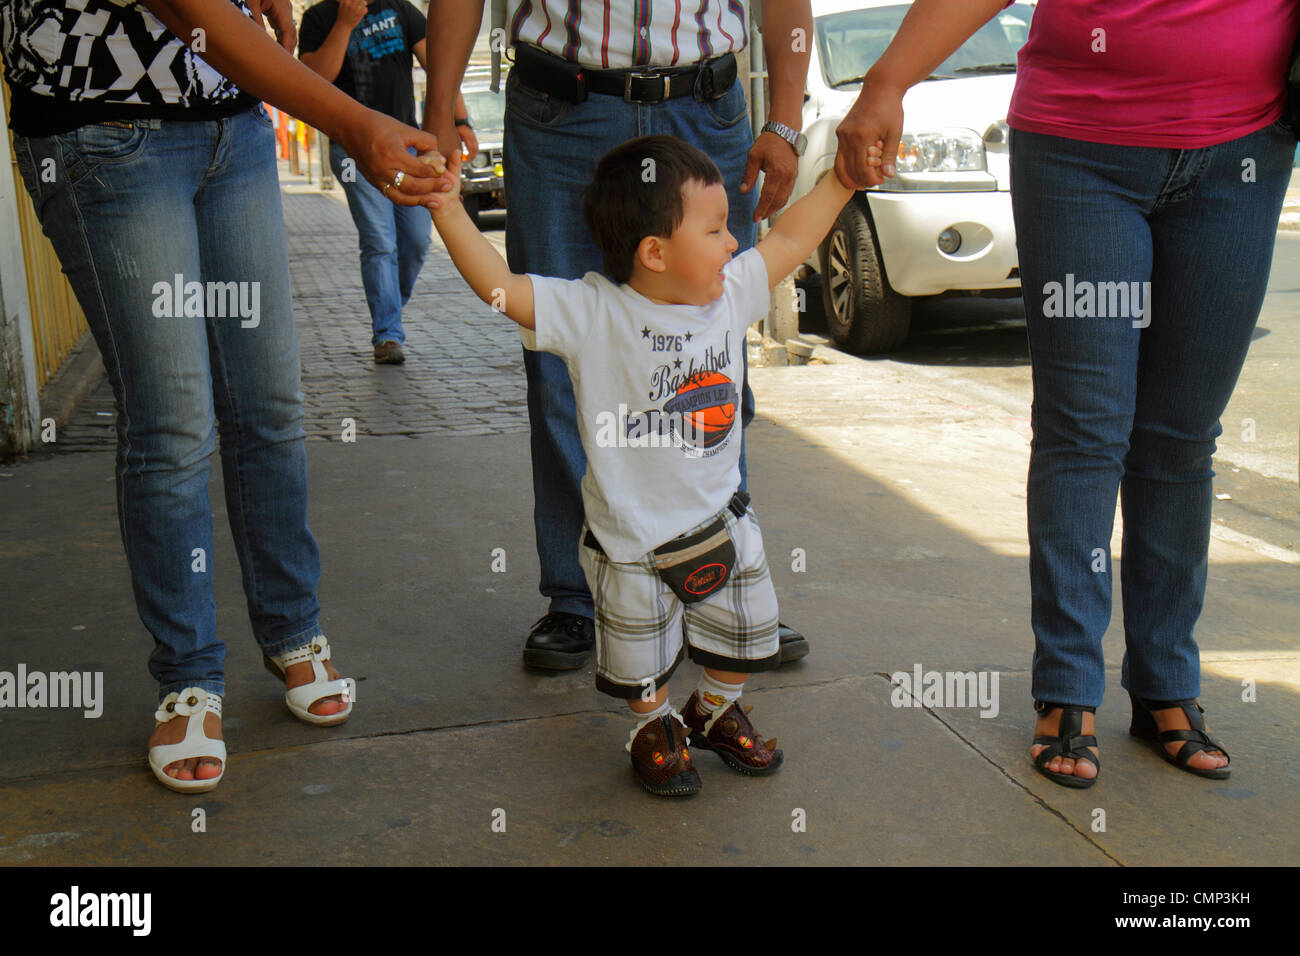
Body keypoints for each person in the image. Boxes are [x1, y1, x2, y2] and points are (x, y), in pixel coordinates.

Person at [835, 0, 1300, 787]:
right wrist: (889, 79)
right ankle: (1068, 692)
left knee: (1182, 437)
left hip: (1244, 150)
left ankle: (1166, 688)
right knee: (1085, 429)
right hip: (1084, 152)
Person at [1, 0, 441, 792]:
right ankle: (188, 676)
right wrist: (352, 122)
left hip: (230, 123)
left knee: (268, 402)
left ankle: (292, 630)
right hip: (101, 127)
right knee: (173, 418)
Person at [426, 134, 854, 794]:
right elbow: (504, 290)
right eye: (715, 230)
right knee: (640, 663)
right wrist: (448, 208)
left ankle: (710, 712)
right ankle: (652, 723)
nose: (734, 244)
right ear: (654, 252)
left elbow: (791, 241)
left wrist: (843, 183)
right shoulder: (593, 311)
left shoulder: (730, 294)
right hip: (631, 545)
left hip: (723, 524)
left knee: (744, 640)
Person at [422, 0, 814, 671]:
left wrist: (784, 115)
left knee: (710, 359)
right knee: (557, 371)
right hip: (563, 110)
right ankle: (582, 595)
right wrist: (439, 97)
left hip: (704, 102)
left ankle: (718, 591)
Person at [300, 0, 477, 364]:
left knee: (415, 240)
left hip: (409, 145)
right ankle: (388, 334)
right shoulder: (318, 18)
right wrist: (345, 25)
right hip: (354, 152)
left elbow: (440, 65)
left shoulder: (400, 9)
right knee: (380, 240)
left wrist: (461, 121)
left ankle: (389, 309)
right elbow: (314, 81)